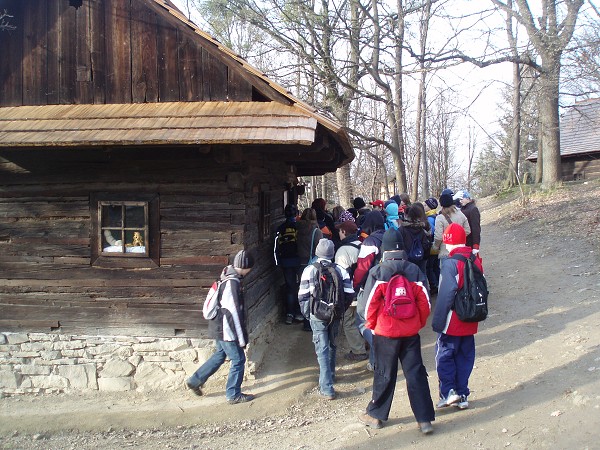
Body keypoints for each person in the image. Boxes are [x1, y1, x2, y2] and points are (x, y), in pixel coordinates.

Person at [358, 228, 435, 434]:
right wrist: (417, 323)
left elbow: (367, 307)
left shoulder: (378, 272)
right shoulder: (414, 270)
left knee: (385, 373)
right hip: (410, 333)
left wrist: (372, 326)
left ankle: (376, 416)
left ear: (385, 249)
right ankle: (424, 419)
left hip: (385, 333)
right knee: (415, 373)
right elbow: (425, 302)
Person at [186, 250, 256, 404]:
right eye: (249, 268)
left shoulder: (226, 275)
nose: (250, 271)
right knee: (238, 360)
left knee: (220, 355)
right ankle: (233, 394)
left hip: (218, 326)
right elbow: (234, 314)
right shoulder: (232, 283)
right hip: (226, 330)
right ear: (245, 267)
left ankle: (195, 380)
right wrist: (241, 338)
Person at [432, 223, 483, 410]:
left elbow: (446, 294)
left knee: (444, 355)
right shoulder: (475, 260)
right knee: (464, 356)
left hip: (452, 319)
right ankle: (462, 394)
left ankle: (448, 392)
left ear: (448, 241)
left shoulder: (450, 263)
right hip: (471, 316)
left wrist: (437, 320)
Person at [298, 239, 355, 400]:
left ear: (317, 252)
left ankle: (327, 387)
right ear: (332, 253)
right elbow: (349, 294)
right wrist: (340, 309)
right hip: (335, 314)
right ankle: (330, 375)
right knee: (332, 344)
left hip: (317, 314)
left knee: (321, 348)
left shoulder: (309, 270)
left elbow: (302, 295)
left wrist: (308, 314)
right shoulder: (341, 270)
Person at [353, 210, 386, 370]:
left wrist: (355, 285)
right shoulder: (389, 236)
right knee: (378, 322)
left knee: (361, 320)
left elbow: (362, 268)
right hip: (388, 286)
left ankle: (380, 351)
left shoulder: (370, 242)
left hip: (370, 287)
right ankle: (374, 362)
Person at [334, 220, 367, 361]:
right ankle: (367, 343)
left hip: (351, 291)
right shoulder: (363, 245)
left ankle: (358, 351)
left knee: (348, 321)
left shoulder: (343, 251)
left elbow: (340, 275)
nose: (338, 233)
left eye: (340, 231)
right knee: (364, 319)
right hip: (365, 289)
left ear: (344, 232)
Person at [274, 204, 302, 325]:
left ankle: (289, 314)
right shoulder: (298, 227)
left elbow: (275, 247)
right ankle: (299, 313)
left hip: (285, 262)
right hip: (298, 261)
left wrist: (278, 262)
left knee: (290, 287)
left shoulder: (280, 228)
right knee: (301, 286)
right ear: (296, 214)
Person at [296, 208, 323, 331]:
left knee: (303, 290)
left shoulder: (297, 229)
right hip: (312, 263)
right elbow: (320, 248)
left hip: (299, 262)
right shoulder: (316, 231)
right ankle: (311, 320)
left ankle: (303, 317)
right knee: (314, 291)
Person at [432, 192, 471, 264]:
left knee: (447, 273)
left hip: (446, 251)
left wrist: (435, 247)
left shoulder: (440, 218)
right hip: (460, 251)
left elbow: (438, 237)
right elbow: (468, 230)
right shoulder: (460, 214)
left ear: (441, 204)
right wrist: (458, 238)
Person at [400, 204, 431, 277]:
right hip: (420, 258)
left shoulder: (402, 229)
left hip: (406, 259)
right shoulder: (423, 228)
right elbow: (426, 244)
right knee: (422, 276)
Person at [453, 190, 481, 255]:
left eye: (462, 199)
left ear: (468, 198)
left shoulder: (473, 209)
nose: (460, 201)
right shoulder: (462, 209)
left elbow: (476, 228)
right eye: (459, 199)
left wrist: (475, 245)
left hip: (469, 242)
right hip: (462, 241)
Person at [424, 197, 440, 293]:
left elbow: (431, 231)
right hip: (437, 246)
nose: (424, 207)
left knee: (430, 267)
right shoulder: (436, 216)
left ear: (430, 207)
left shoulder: (430, 218)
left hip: (432, 246)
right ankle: (438, 282)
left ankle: (434, 285)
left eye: (426, 205)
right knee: (436, 266)